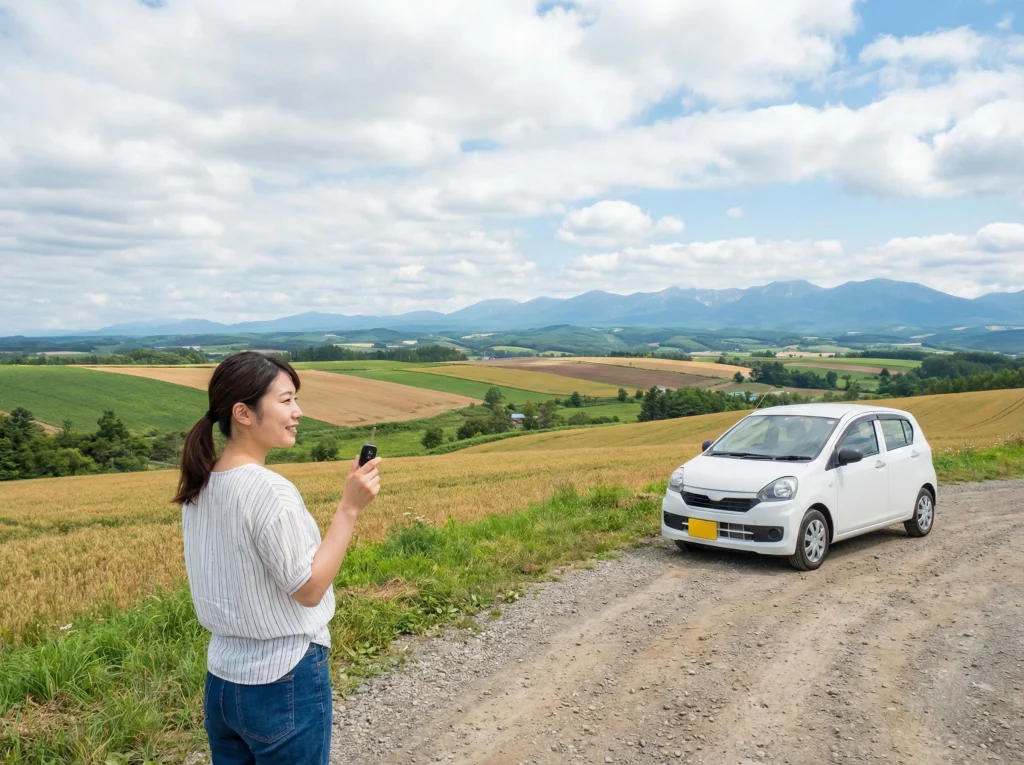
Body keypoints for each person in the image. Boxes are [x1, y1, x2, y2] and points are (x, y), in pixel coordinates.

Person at [174, 351, 381, 764]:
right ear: (243, 413)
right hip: (282, 677)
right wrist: (349, 508)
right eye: (286, 401)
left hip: (222, 680)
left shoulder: (201, 485)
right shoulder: (269, 490)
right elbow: (308, 589)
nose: (298, 412)